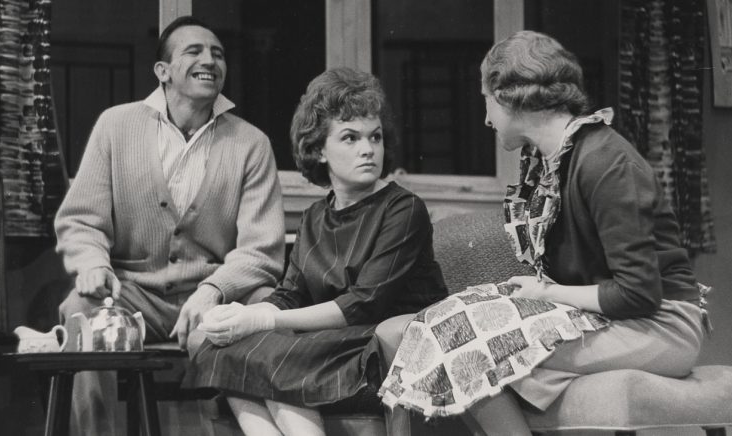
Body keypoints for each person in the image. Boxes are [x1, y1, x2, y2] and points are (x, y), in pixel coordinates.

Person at [380, 31, 705, 435]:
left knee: (468, 345)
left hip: (662, 326)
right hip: (604, 317)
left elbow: (638, 294)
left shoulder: (606, 162)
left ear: (508, 96)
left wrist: (546, 293)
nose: (485, 118)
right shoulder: (551, 161)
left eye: (486, 101)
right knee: (441, 325)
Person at [54, 15, 286, 436]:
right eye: (194, 51)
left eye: (217, 53)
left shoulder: (250, 143)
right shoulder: (115, 126)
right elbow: (82, 218)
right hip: (132, 294)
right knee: (79, 312)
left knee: (269, 305)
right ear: (163, 71)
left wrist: (214, 291)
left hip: (215, 296)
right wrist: (91, 263)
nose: (210, 60)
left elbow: (261, 249)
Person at [187, 67, 448, 436]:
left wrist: (264, 321)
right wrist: (240, 315)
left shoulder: (403, 209)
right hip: (330, 343)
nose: (367, 149)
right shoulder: (314, 217)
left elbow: (364, 303)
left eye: (375, 137)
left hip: (382, 345)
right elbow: (290, 295)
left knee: (273, 358)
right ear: (319, 149)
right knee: (219, 348)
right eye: (350, 138)